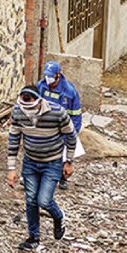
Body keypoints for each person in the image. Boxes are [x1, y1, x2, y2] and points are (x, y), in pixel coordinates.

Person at [7, 84, 76, 250]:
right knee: (30, 200)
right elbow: (13, 139)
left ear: (39, 101)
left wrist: (69, 161)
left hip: (52, 162)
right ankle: (33, 237)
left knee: (44, 200)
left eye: (30, 106)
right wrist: (11, 168)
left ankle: (58, 217)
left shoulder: (57, 112)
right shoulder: (17, 112)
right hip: (30, 161)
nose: (27, 110)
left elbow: (71, 135)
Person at [37, 60, 82, 190]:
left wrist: (72, 132)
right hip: (45, 127)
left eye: (51, 75)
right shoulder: (41, 86)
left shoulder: (69, 92)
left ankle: (62, 178)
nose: (48, 78)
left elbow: (76, 114)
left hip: (63, 128)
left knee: (63, 155)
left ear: (58, 75)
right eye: (47, 75)